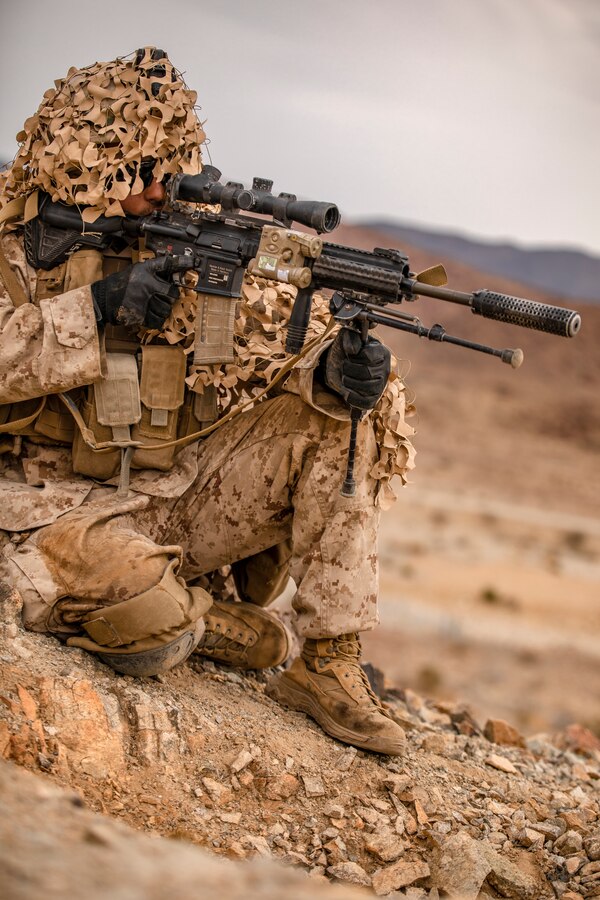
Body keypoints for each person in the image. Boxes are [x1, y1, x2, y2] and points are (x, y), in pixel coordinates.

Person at [0, 48, 416, 756]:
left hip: (169, 489)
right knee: (145, 610)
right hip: (38, 508)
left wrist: (331, 379)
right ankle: (204, 619)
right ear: (96, 160)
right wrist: (97, 309)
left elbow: (263, 354)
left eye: (171, 167)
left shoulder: (173, 240)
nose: (163, 187)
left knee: (340, 409)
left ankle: (328, 661)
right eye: (145, 168)